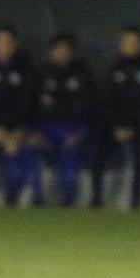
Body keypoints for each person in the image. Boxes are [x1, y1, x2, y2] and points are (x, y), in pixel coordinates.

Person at [0, 24, 37, 205]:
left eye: (8, 43)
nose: (4, 47)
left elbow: (26, 103)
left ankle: (12, 197)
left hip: (15, 127)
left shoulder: (25, 67)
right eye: (0, 42)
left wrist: (10, 129)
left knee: (13, 146)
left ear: (14, 45)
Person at [34, 33, 95, 208]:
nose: (62, 53)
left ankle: (69, 200)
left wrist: (80, 132)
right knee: (30, 150)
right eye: (58, 50)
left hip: (72, 130)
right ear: (52, 52)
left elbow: (86, 106)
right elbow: (35, 105)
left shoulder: (83, 74)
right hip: (45, 130)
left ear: (73, 52)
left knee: (71, 153)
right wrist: (34, 131)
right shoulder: (42, 74)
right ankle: (36, 200)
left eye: (66, 50)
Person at [95, 25, 140, 208]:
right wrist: (116, 127)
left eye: (135, 42)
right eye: (127, 42)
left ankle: (136, 203)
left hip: (139, 129)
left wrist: (133, 128)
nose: (131, 46)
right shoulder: (112, 69)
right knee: (97, 151)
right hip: (114, 128)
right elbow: (105, 102)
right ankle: (96, 200)